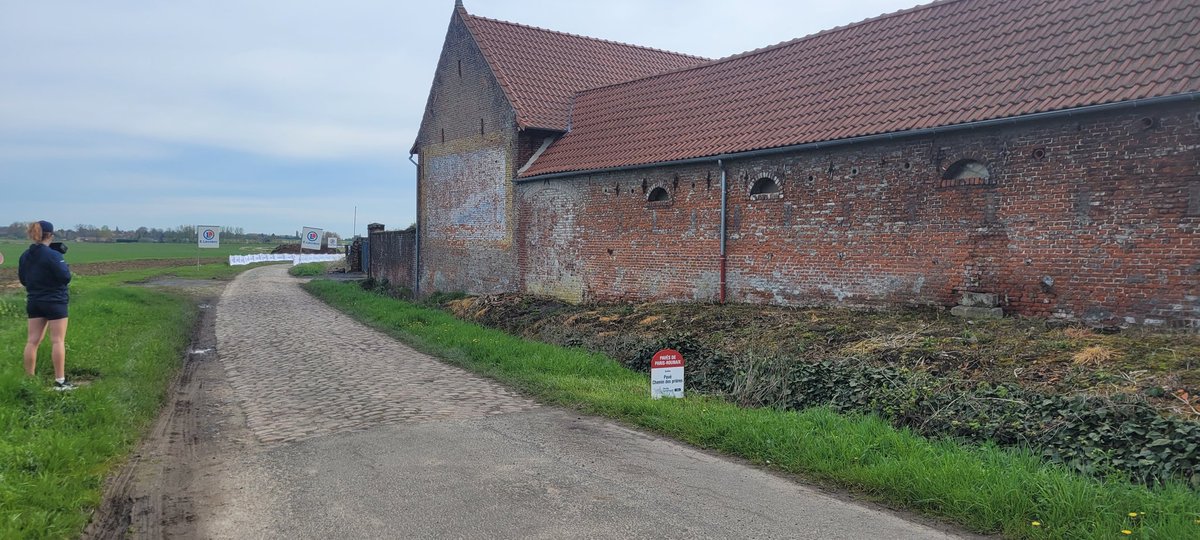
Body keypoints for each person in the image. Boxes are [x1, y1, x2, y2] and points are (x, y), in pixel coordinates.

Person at [18, 220, 74, 391]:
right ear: (50, 235)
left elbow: (23, 280)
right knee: (57, 341)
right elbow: (65, 277)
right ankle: (60, 381)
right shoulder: (53, 255)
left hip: (34, 302)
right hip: (55, 302)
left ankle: (29, 380)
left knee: (32, 341)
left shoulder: (25, 256)